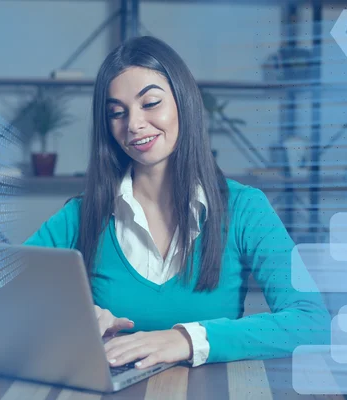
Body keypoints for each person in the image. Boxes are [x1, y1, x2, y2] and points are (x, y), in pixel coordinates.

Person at [23, 35, 330, 370]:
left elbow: (311, 323)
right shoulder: (81, 215)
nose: (134, 124)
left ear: (183, 103)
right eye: (117, 113)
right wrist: (71, 317)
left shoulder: (245, 209)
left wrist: (187, 339)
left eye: (150, 103)